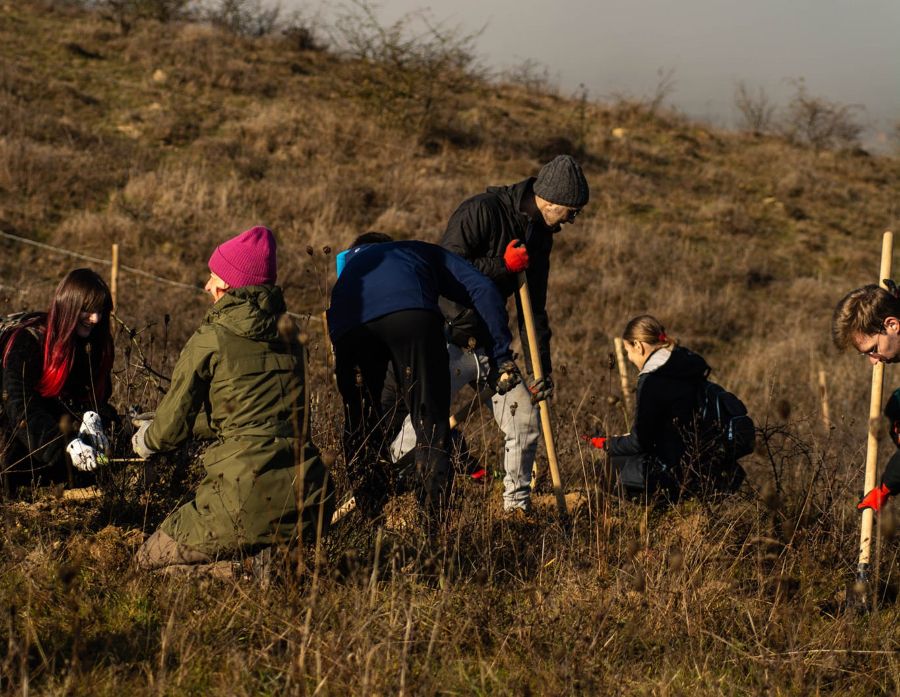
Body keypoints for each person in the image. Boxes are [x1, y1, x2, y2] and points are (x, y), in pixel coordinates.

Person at [391, 154, 590, 513]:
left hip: (493, 349)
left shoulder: (541, 237)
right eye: (571, 211)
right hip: (450, 339)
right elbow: (445, 265)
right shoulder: (481, 210)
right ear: (550, 200)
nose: (572, 220)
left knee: (524, 420)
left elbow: (537, 312)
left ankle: (517, 509)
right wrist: (503, 266)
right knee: (419, 427)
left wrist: (539, 370)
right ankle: (396, 497)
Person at [132, 226, 332, 569]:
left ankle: (243, 572)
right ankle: (267, 560)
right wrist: (190, 425)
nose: (208, 286)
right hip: (306, 495)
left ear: (230, 284)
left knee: (145, 564)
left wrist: (143, 440)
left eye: (214, 277)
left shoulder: (212, 337)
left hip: (242, 494)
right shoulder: (291, 336)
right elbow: (251, 414)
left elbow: (166, 433)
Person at [327, 232, 520, 527]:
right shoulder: (415, 250)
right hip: (413, 316)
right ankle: (433, 535)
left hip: (350, 327)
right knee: (431, 425)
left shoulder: (349, 269)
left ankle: (369, 524)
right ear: (390, 244)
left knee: (361, 427)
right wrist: (500, 355)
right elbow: (483, 289)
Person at [589, 315, 743, 499]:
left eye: (627, 351)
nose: (628, 358)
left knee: (603, 470)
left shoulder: (652, 380)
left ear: (638, 345)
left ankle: (659, 518)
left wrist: (610, 443)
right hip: (711, 467)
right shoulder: (685, 365)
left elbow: (640, 442)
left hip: (677, 473)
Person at [1, 268, 115, 495]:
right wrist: (66, 445)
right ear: (69, 306)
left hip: (49, 434)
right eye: (87, 310)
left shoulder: (94, 344)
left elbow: (95, 397)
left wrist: (96, 418)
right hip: (14, 434)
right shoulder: (27, 343)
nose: (95, 318)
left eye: (100, 310)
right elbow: (21, 409)